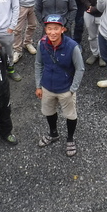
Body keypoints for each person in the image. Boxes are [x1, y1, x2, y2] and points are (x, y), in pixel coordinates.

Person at [35, 14, 85, 157]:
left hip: (66, 89)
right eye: (49, 28)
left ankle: (70, 139)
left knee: (70, 115)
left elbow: (80, 68)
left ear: (63, 29)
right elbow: (38, 64)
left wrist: (73, 89)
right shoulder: (41, 44)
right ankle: (53, 133)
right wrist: (38, 85)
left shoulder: (72, 47)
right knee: (49, 112)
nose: (52, 32)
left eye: (56, 29)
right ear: (45, 29)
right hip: (47, 87)